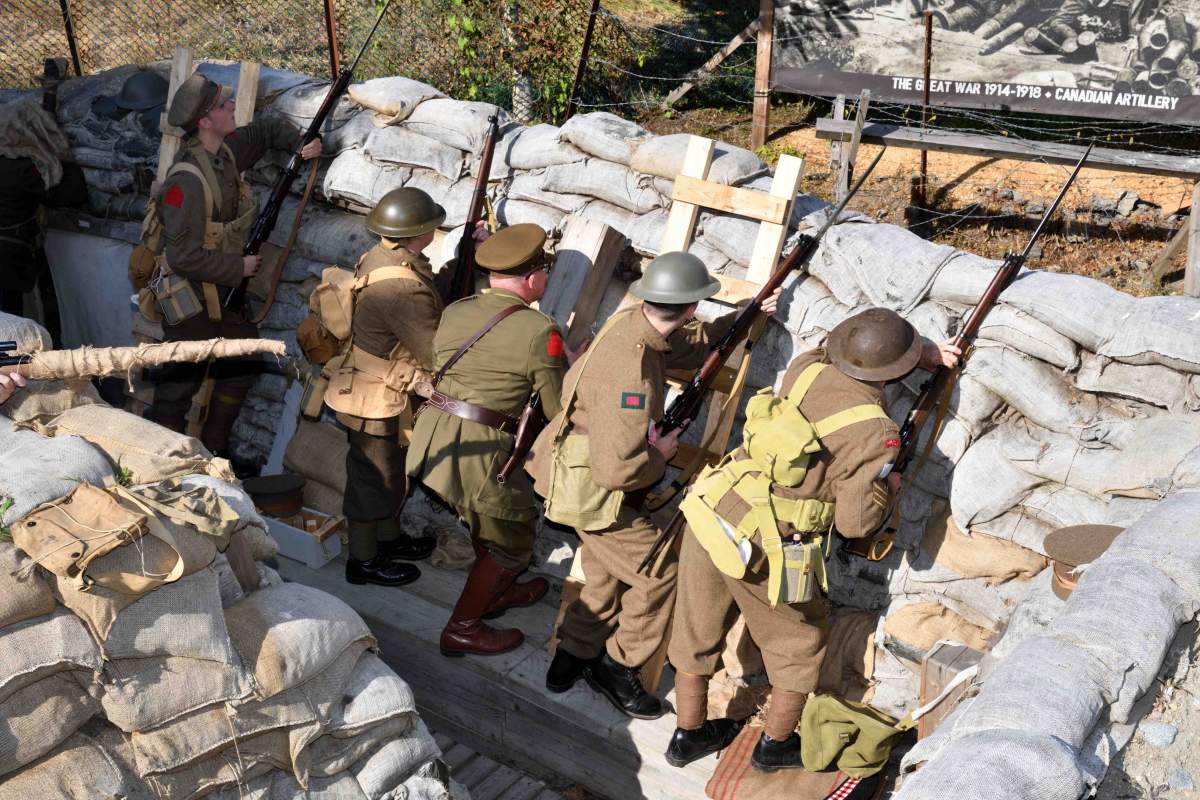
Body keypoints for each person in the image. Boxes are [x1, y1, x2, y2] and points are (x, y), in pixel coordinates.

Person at [664, 307, 960, 771]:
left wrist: (915, 354)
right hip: (768, 543)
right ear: (895, 371)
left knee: (696, 628)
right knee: (800, 643)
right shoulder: (876, 432)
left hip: (714, 509)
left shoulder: (807, 365)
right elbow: (856, 524)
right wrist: (889, 488)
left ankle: (687, 734)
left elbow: (830, 346)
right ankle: (777, 745)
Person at [527, 251, 781, 720]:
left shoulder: (630, 324)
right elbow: (618, 471)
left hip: (569, 470)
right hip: (592, 487)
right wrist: (658, 457)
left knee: (604, 571)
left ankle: (572, 656)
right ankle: (618, 665)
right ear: (688, 308)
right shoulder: (634, 377)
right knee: (658, 567)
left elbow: (686, 346)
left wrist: (743, 316)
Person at [406, 223, 566, 658]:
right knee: (514, 541)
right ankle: (463, 627)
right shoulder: (540, 330)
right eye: (544, 272)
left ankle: (495, 593)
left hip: (432, 440)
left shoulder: (458, 310)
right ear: (532, 278)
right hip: (478, 453)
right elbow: (557, 407)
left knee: (488, 521)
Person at [147, 73, 321, 467]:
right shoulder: (185, 182)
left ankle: (214, 451)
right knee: (176, 389)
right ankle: (160, 466)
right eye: (223, 106)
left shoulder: (226, 151)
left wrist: (300, 144)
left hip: (224, 296)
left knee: (242, 365)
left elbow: (262, 131)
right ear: (205, 122)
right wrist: (237, 266)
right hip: (189, 299)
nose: (231, 109)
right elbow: (181, 258)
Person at [324, 187, 489, 588]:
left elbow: (430, 294)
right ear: (421, 232)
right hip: (378, 397)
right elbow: (436, 352)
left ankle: (388, 539)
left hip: (380, 386)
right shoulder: (402, 287)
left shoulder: (385, 256)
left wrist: (465, 254)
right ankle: (363, 560)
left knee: (391, 473)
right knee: (374, 480)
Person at [0, 96, 87, 345]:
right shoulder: (22, 168)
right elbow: (72, 196)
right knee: (12, 327)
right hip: (9, 260)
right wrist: (62, 155)